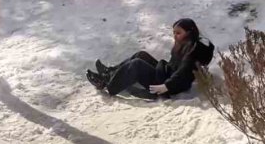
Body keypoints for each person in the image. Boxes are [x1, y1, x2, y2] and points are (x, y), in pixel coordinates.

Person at [87, 19, 215, 98]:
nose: (175, 36)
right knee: (141, 55)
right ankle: (109, 73)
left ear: (189, 33)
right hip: (166, 73)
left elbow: (184, 71)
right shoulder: (186, 43)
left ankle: (108, 86)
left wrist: (167, 86)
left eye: (178, 33)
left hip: (169, 85)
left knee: (137, 64)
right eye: (174, 33)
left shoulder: (193, 50)